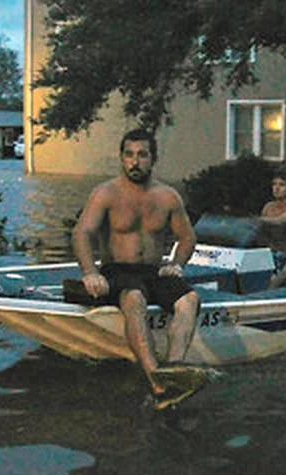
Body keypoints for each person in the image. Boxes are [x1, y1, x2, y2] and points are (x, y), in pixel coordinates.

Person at [71, 128, 199, 396]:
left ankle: (175, 370)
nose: (135, 161)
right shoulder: (105, 193)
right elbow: (82, 233)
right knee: (134, 299)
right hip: (118, 270)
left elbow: (187, 237)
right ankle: (157, 382)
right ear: (121, 158)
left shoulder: (167, 196)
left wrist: (177, 264)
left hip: (153, 271)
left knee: (189, 300)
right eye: (129, 155)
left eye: (142, 155)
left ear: (153, 159)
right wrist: (90, 272)